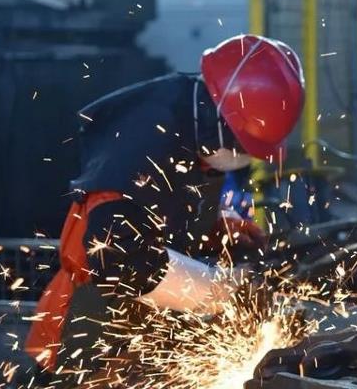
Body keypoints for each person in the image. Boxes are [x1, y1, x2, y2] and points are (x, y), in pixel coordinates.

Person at [25, 34, 305, 379]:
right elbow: (116, 260)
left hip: (147, 332)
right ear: (219, 121)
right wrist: (223, 290)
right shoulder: (140, 142)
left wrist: (215, 227)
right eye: (242, 146)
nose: (244, 157)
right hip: (87, 336)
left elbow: (163, 213)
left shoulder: (193, 125)